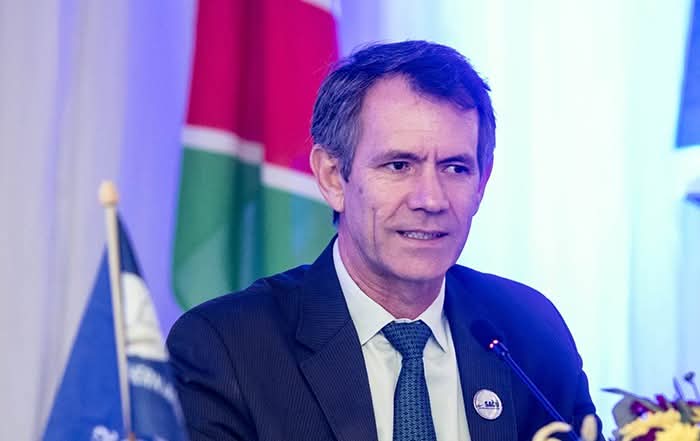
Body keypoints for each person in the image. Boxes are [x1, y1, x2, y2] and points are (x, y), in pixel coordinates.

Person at [167, 40, 603, 441]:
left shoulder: (529, 331)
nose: (430, 199)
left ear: (481, 183)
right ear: (332, 177)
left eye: (455, 168)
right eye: (399, 165)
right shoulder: (227, 349)